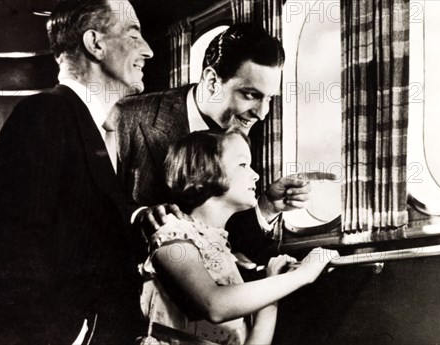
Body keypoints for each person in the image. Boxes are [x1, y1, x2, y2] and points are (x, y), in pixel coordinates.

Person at [0, 1, 176, 344]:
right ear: (95, 44)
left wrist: (138, 216)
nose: (149, 51)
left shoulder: (88, 125)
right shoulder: (42, 116)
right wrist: (75, 334)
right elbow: (16, 256)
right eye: (134, 34)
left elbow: (78, 217)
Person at [115, 23, 310, 267]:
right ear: (211, 81)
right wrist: (139, 216)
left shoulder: (249, 135)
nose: (262, 114)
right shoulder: (128, 118)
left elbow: (229, 241)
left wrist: (267, 207)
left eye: (269, 98)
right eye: (251, 95)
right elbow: (89, 207)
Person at [138, 129, 338, 344]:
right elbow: (214, 305)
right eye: (243, 165)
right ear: (202, 174)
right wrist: (302, 275)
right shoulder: (172, 232)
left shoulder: (225, 252)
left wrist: (273, 285)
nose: (256, 175)